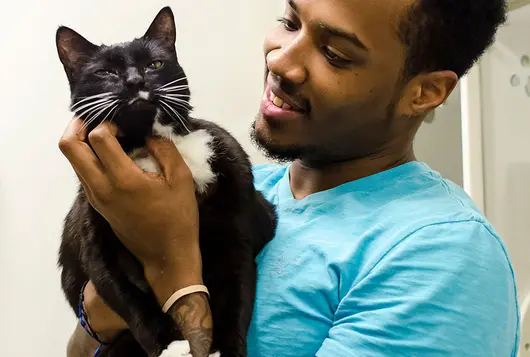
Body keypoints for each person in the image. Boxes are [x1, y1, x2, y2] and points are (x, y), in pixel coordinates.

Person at [60, 0, 520, 356]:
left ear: (426, 92)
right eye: (290, 21)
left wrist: (171, 263)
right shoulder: (243, 190)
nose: (280, 61)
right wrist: (102, 306)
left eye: (336, 54)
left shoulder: (442, 256)